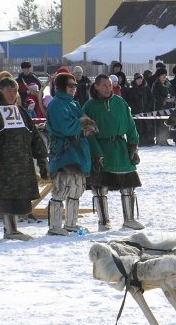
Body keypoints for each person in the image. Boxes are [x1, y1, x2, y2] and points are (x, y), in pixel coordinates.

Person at [0, 77, 48, 242]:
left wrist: (41, 157)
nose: (12, 94)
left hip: (18, 165)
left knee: (13, 196)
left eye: (15, 91)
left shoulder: (20, 110)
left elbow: (34, 135)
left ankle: (12, 230)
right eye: (8, 91)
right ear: (0, 91)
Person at [83, 74, 144, 231]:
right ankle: (103, 222)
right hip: (101, 148)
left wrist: (133, 147)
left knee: (128, 187)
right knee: (100, 188)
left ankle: (129, 219)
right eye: (104, 85)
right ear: (96, 86)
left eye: (109, 85)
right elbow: (87, 132)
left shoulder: (119, 102)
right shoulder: (89, 107)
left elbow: (131, 126)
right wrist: (96, 152)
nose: (108, 88)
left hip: (121, 148)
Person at [45, 73, 97, 236]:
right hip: (63, 153)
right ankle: (54, 226)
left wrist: (89, 125)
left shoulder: (74, 104)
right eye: (71, 86)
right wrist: (82, 124)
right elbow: (64, 127)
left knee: (76, 189)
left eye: (75, 86)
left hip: (78, 152)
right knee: (61, 189)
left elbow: (86, 121)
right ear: (61, 87)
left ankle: (71, 223)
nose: (74, 89)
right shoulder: (56, 105)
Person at [124, 73, 155, 146]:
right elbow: (129, 101)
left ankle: (148, 141)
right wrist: (134, 108)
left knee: (147, 127)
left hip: (146, 112)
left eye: (141, 79)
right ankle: (139, 142)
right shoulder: (131, 90)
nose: (139, 81)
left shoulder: (146, 88)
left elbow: (151, 99)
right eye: (138, 79)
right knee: (138, 127)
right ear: (135, 80)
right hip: (136, 112)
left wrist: (148, 107)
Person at [152, 67, 175, 146]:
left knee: (167, 124)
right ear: (159, 76)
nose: (164, 76)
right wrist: (165, 100)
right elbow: (155, 96)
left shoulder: (168, 84)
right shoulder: (156, 85)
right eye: (162, 75)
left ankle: (165, 139)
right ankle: (160, 140)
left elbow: (172, 92)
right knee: (161, 124)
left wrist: (173, 98)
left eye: (165, 75)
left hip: (169, 107)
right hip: (160, 107)